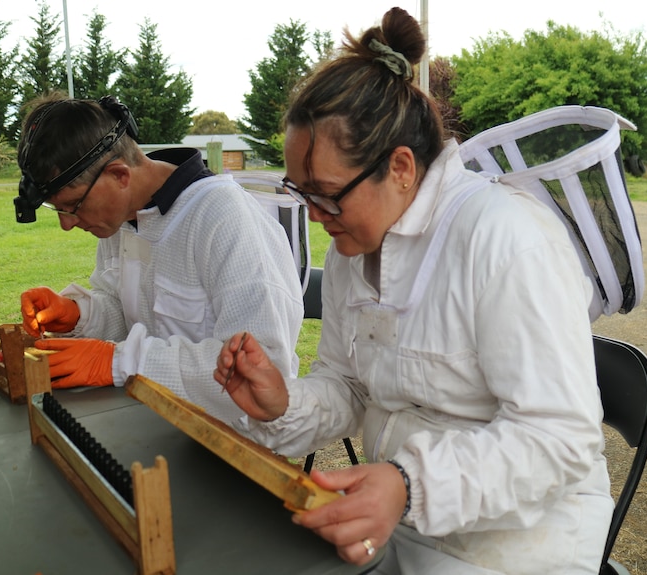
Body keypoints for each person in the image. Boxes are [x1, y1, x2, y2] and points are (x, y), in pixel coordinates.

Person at [214, 7, 613, 574]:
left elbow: (560, 440)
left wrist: (408, 483)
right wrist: (284, 403)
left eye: (326, 194)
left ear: (401, 167)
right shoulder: (354, 245)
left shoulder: (505, 239)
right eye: (300, 192)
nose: (314, 214)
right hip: (401, 525)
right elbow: (352, 387)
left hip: (517, 547)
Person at [15, 93, 304, 425]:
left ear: (119, 175)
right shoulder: (120, 221)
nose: (67, 224)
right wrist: (79, 315)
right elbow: (132, 320)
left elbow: (262, 366)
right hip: (150, 421)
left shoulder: (224, 217)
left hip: (235, 444)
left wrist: (117, 361)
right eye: (58, 210)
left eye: (74, 205)